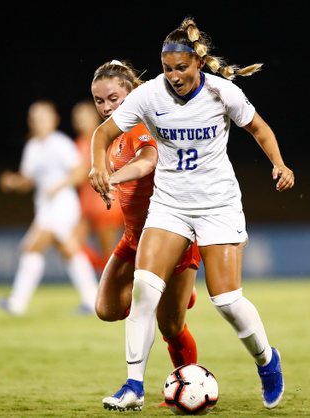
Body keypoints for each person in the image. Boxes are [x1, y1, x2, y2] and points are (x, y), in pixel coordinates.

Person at [90, 18, 294, 411]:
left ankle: (267, 361)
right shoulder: (148, 95)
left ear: (197, 64)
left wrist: (279, 165)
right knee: (145, 291)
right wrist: (99, 166)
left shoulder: (222, 92)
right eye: (167, 69)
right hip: (170, 207)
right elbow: (103, 134)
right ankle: (134, 386)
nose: (174, 76)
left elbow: (260, 129)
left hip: (218, 206)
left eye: (181, 68)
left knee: (227, 301)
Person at [90, 60, 200, 408]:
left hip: (170, 237)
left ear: (132, 93)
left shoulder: (141, 123)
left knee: (170, 328)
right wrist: (110, 190)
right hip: (134, 238)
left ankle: (190, 386)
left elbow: (148, 160)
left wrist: (114, 178)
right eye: (99, 101)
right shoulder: (113, 137)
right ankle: (170, 296)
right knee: (106, 309)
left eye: (113, 98)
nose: (107, 107)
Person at [0, 100, 99, 316]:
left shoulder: (60, 144)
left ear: (54, 120)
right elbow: (28, 180)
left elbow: (81, 171)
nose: (37, 122)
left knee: (31, 247)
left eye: (42, 117)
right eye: (34, 118)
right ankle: (93, 300)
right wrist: (14, 181)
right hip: (45, 208)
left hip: (63, 205)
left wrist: (58, 186)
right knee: (69, 250)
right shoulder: (32, 147)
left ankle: (17, 303)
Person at [72, 101, 124, 272]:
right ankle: (103, 273)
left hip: (105, 203)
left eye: (83, 116)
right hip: (87, 204)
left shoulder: (100, 137)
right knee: (73, 243)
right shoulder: (80, 141)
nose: (80, 120)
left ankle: (116, 287)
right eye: (77, 117)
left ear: (94, 117)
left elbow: (82, 172)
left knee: (108, 250)